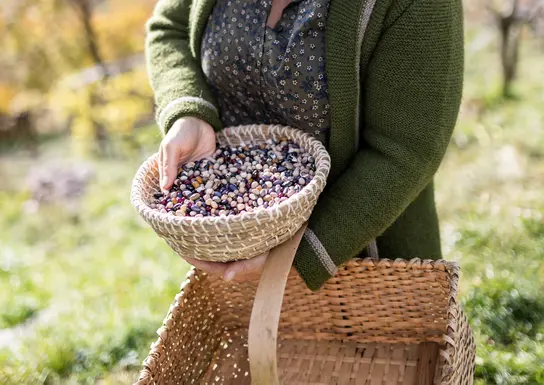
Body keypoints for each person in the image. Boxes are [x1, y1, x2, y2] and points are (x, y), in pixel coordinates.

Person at [146, 0, 464, 291]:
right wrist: (188, 111)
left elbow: (404, 152)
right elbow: (170, 27)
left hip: (361, 262)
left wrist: (300, 258)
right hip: (229, 246)